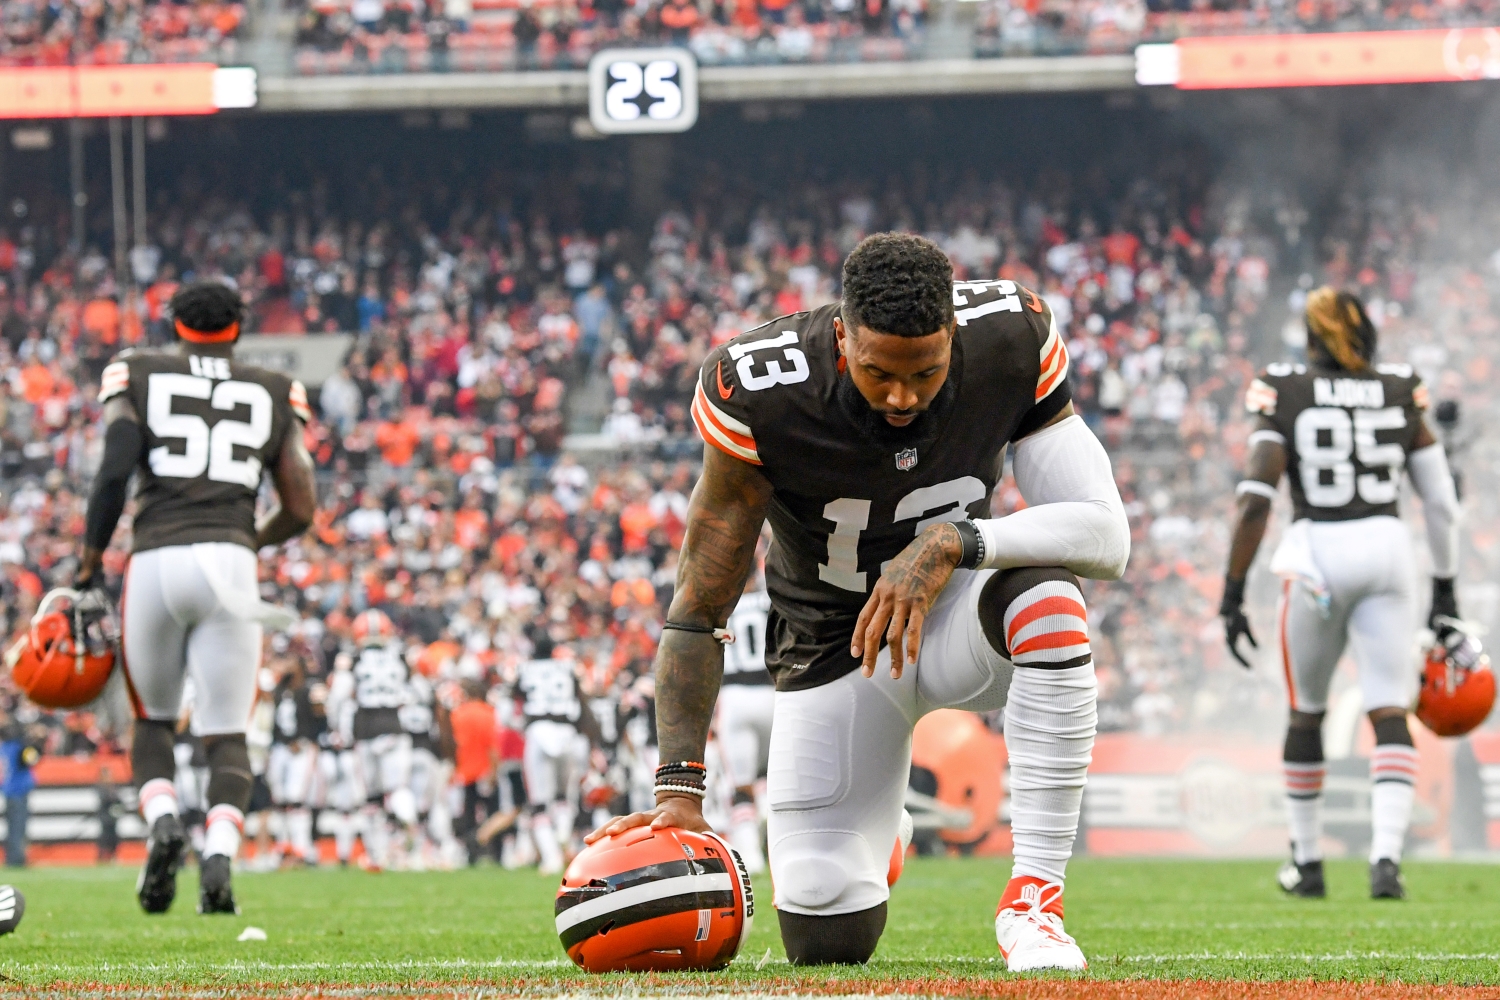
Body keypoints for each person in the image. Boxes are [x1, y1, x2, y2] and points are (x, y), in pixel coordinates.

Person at [592, 233, 1129, 971]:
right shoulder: (760, 388)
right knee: (825, 938)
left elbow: (1106, 533)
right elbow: (699, 605)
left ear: (954, 340)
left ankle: (1033, 901)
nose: (904, 397)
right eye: (880, 373)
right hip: (835, 645)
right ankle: (883, 828)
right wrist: (679, 787)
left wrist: (953, 543)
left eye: (928, 372)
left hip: (962, 621)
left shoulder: (1011, 336)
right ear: (842, 336)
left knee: (1047, 596)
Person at [76, 280, 318, 915]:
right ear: (237, 327)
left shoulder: (136, 369)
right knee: (226, 732)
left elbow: (116, 461)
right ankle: (218, 858)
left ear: (174, 324)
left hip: (155, 558)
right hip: (230, 560)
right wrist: (248, 542)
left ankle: (161, 824)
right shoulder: (272, 387)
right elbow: (301, 505)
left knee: (152, 720)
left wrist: (89, 558)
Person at [1220, 287, 1463, 901]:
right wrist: (1446, 588)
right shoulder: (1401, 386)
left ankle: (1308, 863)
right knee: (1389, 708)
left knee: (1307, 711)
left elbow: (1255, 501)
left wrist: (1233, 589)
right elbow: (1439, 502)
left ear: (1311, 337)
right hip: (1387, 547)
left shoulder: (1286, 386)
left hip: (1317, 554)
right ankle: (1386, 861)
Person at [714, 583, 774, 873]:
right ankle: (767, 811)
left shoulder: (721, 604)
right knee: (771, 773)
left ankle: (750, 855)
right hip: (772, 692)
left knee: (740, 784)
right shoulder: (769, 600)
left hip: (734, 696)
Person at [0, 720, 40, 868]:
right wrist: (34, 740)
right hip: (18, 791)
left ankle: (12, 857)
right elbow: (32, 759)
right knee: (18, 827)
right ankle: (16, 859)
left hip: (8, 791)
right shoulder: (18, 748)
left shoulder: (4, 748)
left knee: (12, 828)